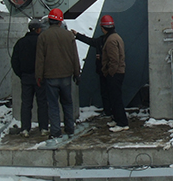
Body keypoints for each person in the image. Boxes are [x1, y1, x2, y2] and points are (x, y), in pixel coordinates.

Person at [72, 15, 129, 132]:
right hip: (116, 73)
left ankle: (122, 123)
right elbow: (93, 42)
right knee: (114, 98)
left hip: (115, 74)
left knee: (116, 99)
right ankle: (117, 119)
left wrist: (109, 73)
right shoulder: (112, 37)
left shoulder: (111, 40)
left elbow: (114, 60)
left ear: (103, 28)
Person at [35, 8, 81, 141]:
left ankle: (55, 131)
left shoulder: (43, 37)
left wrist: (39, 76)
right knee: (67, 103)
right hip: (66, 76)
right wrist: (77, 73)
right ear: (60, 22)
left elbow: (40, 59)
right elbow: (75, 57)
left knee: (53, 105)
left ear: (49, 21)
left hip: (50, 77)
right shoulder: (69, 36)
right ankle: (70, 128)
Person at [10, 19, 49, 137]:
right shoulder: (42, 42)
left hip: (26, 77)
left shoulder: (20, 43)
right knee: (42, 102)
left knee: (26, 103)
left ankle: (25, 128)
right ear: (38, 29)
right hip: (40, 78)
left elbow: (14, 61)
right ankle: (43, 128)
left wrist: (21, 74)